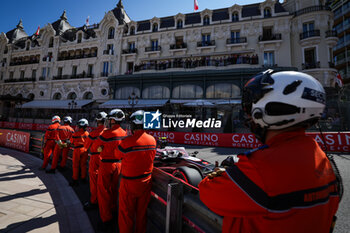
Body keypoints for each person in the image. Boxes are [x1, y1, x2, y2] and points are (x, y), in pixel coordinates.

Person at [199, 70, 341, 233]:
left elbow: (208, 193)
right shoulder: (322, 158)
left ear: (271, 109)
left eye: (251, 108)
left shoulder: (261, 167)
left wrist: (226, 172)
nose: (249, 116)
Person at [117, 110, 157, 233]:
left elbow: (117, 155)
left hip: (129, 183)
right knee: (141, 213)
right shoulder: (152, 140)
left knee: (126, 214)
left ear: (133, 125)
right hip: (146, 182)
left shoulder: (126, 142)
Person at [95, 109, 127, 227]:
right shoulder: (124, 133)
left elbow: (98, 148)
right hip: (119, 164)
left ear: (113, 120)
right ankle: (113, 211)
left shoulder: (106, 133)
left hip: (106, 165)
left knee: (103, 192)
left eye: (109, 119)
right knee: (115, 190)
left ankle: (106, 218)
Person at [83, 112, 107, 210]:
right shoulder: (108, 132)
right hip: (107, 160)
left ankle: (94, 201)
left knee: (94, 181)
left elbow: (85, 147)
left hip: (95, 158)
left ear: (97, 121)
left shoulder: (93, 133)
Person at [70, 118, 89, 186]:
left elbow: (71, 142)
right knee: (83, 165)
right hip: (85, 150)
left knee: (75, 165)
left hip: (77, 150)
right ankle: (83, 178)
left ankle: (75, 180)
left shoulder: (75, 134)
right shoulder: (87, 134)